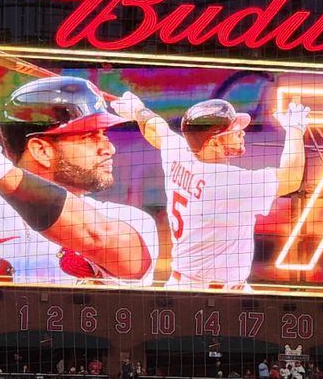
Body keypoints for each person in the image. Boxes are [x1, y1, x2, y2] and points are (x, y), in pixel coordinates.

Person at [0, 78, 159, 286]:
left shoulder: (130, 219)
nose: (109, 148)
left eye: (104, 135)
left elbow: (97, 237)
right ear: (41, 151)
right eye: (89, 137)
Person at [112, 94, 310, 290]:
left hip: (185, 286)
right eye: (233, 131)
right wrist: (295, 130)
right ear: (214, 143)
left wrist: (138, 110)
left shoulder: (180, 154)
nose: (242, 133)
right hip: (210, 296)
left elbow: (156, 129)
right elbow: (291, 177)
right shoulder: (230, 182)